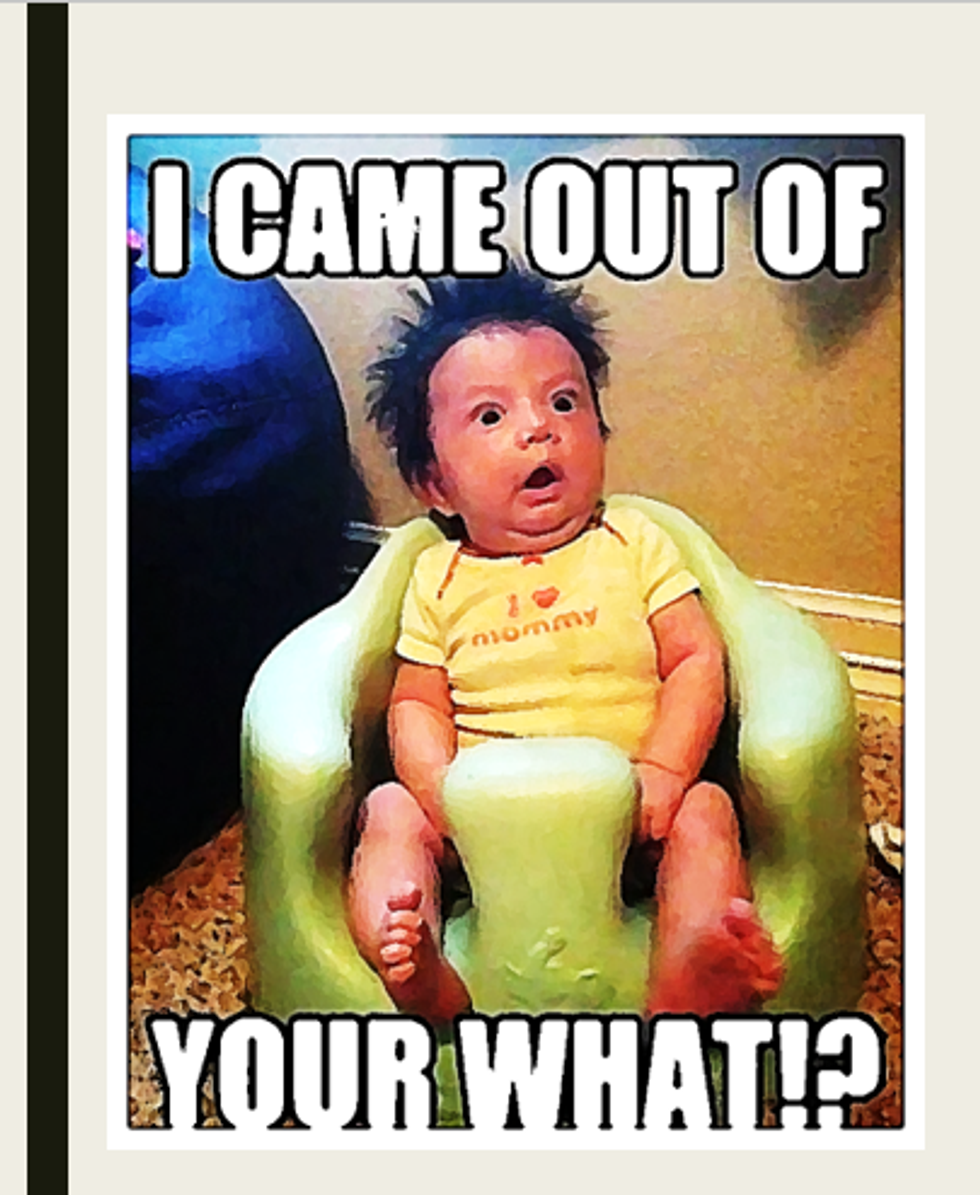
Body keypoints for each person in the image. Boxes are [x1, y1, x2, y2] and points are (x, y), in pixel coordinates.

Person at [348, 266, 782, 1023]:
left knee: (709, 811)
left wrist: (666, 769)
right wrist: (439, 796)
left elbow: (694, 658)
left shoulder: (633, 540)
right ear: (436, 484)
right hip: (483, 836)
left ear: (599, 433)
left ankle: (688, 978)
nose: (538, 428)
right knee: (387, 811)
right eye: (491, 415)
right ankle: (415, 965)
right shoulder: (436, 575)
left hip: (635, 821)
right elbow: (418, 702)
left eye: (563, 401)